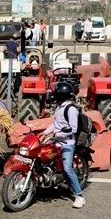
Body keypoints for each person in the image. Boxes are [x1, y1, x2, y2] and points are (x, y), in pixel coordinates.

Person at [40, 81, 85, 209]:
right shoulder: (59, 107)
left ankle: (79, 196)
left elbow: (73, 129)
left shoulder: (71, 109)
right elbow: (56, 124)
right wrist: (45, 133)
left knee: (67, 169)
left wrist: (57, 134)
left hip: (67, 143)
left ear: (61, 95)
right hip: (57, 140)